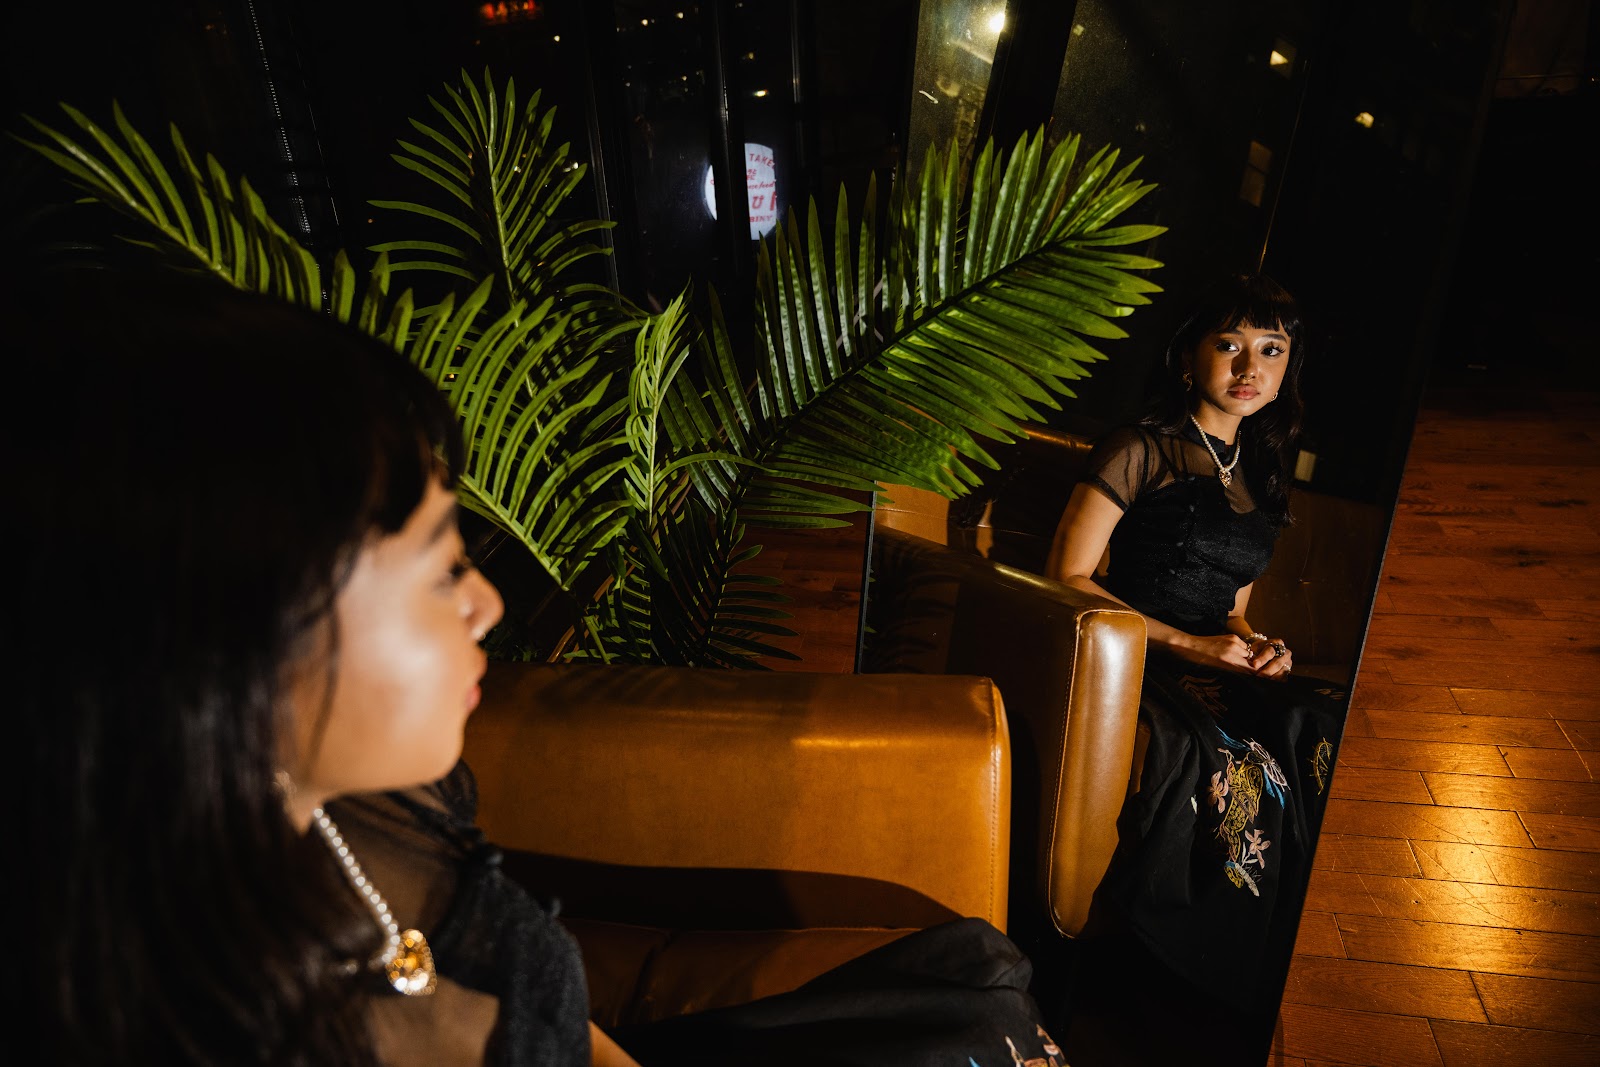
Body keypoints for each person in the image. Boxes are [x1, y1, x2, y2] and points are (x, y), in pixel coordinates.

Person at [20, 268, 1062, 1066]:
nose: (488, 602)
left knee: (978, 980)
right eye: (439, 567)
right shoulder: (167, 1005)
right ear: (237, 629)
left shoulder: (385, 803)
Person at [1045, 273, 1343, 1011]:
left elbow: (1234, 611)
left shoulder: (1263, 484)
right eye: (1229, 345)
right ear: (1189, 359)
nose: (1250, 368)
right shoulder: (1140, 448)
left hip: (1212, 661)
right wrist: (1191, 645)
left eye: (1270, 350)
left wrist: (1258, 644)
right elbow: (1068, 574)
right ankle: (1173, 977)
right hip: (1133, 657)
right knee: (1229, 759)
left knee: (1323, 722)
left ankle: (1283, 958)